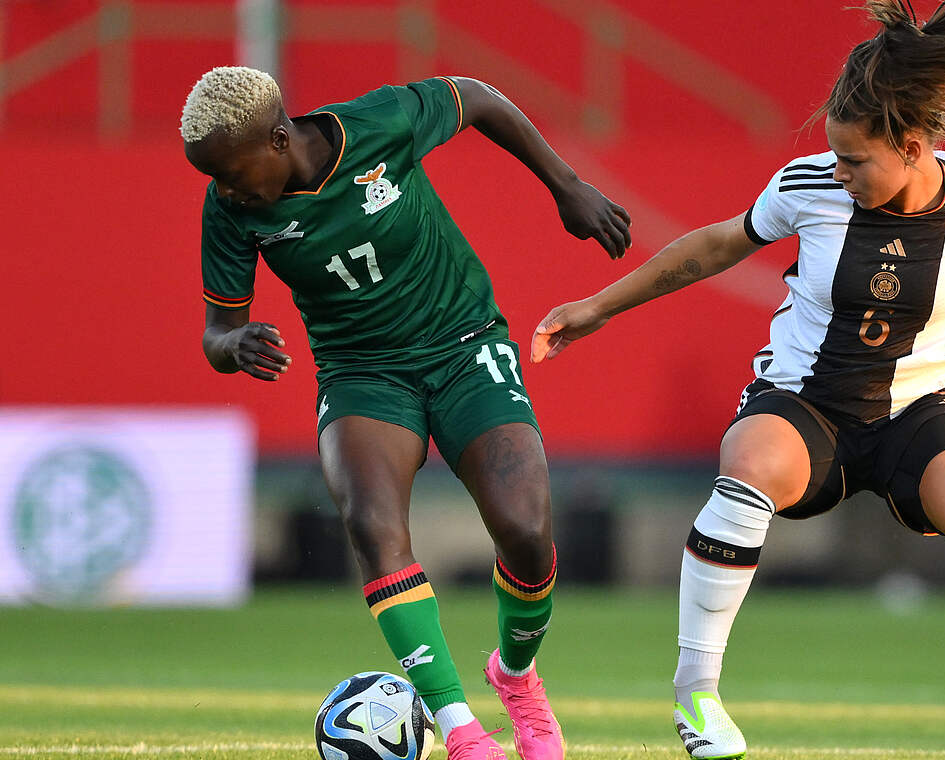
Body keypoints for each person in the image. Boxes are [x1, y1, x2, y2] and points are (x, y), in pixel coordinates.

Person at [529, 1, 945, 757]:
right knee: (750, 468)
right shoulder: (811, 188)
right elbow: (716, 245)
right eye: (835, 157)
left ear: (914, 146)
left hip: (922, 407)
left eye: (855, 160)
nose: (840, 172)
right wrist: (600, 305)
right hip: (808, 401)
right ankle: (698, 695)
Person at [181, 66, 631, 760]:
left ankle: (515, 678)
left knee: (526, 530)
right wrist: (231, 342)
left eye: (235, 173)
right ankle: (462, 732)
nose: (230, 190)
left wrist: (565, 186)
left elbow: (479, 97)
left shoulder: (381, 123)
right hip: (360, 372)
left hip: (464, 345)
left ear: (278, 138)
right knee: (371, 522)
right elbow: (216, 331)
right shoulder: (230, 209)